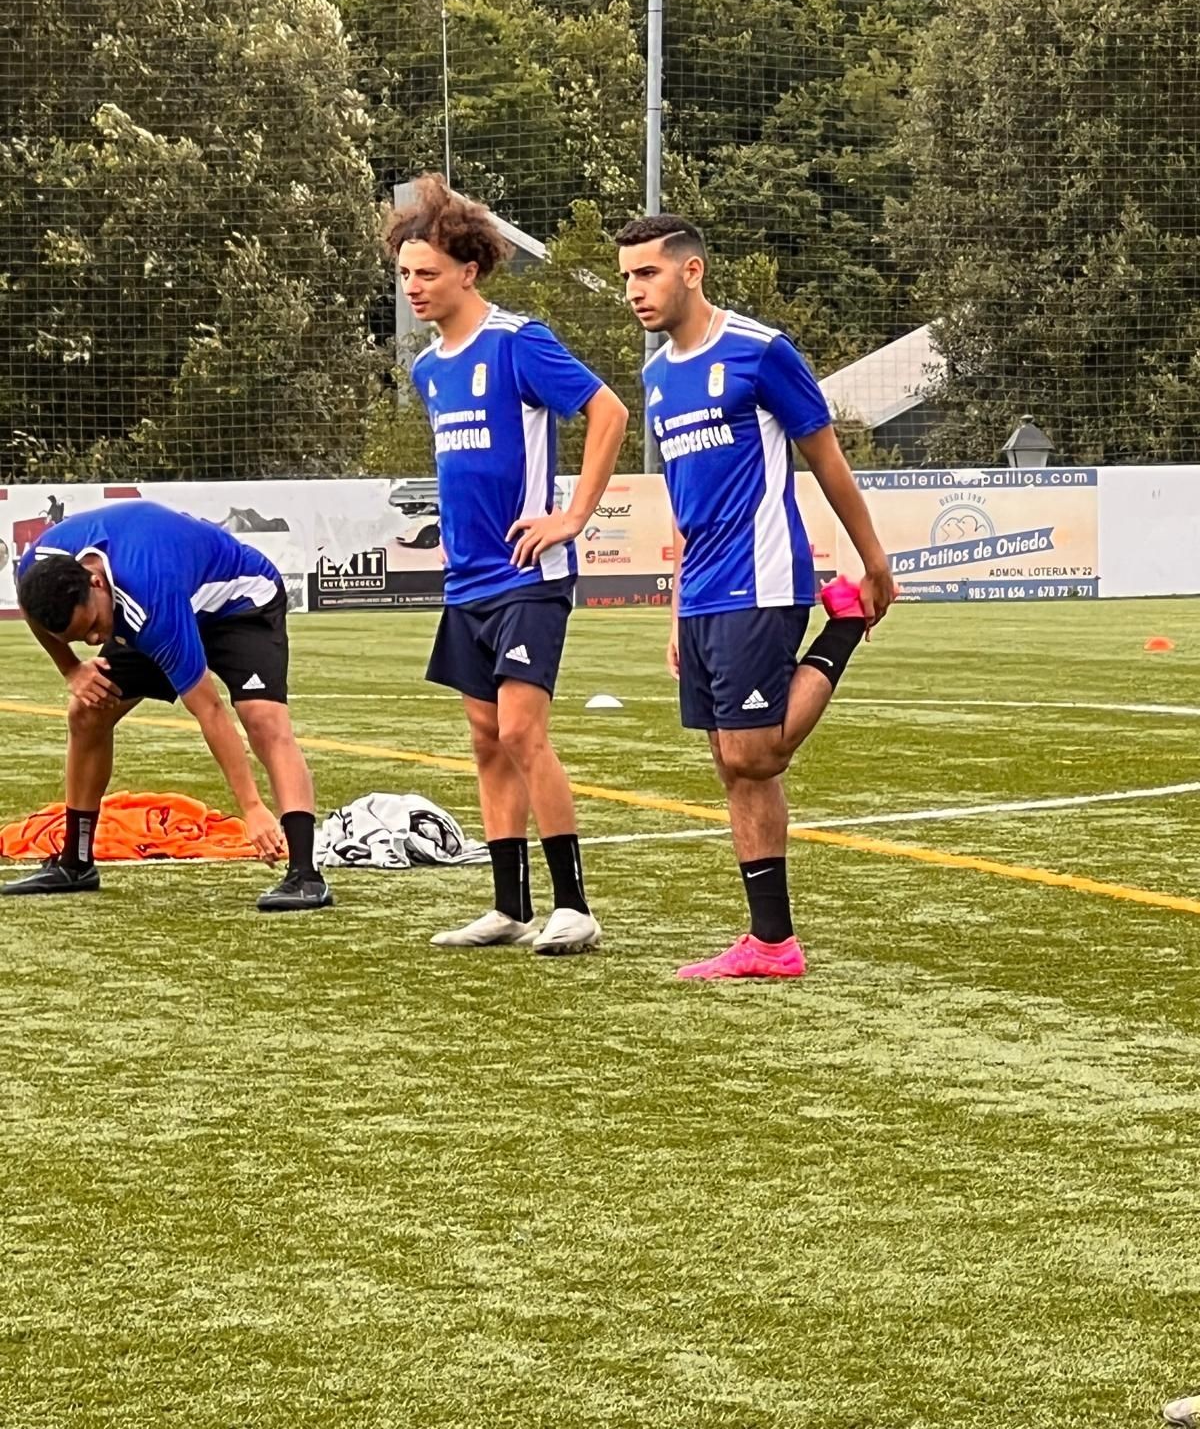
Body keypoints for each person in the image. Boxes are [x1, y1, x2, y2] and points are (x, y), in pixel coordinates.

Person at [617, 212, 896, 980]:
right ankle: (772, 943)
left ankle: (841, 628)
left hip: (763, 572)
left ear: (691, 270)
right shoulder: (655, 376)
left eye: (647, 273)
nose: (635, 291)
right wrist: (677, 606)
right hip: (704, 587)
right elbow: (682, 498)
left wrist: (873, 566)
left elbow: (828, 462)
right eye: (628, 278)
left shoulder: (760, 351)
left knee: (756, 750)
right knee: (733, 766)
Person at [384, 173, 628, 955]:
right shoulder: (428, 370)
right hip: (469, 586)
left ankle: (575, 906)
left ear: (469, 271)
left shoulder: (519, 341)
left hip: (530, 577)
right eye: (404, 274)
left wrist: (573, 517)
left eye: (426, 273)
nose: (414, 287)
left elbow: (608, 410)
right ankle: (508, 906)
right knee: (486, 740)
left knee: (524, 733)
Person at [3, 500, 331, 913]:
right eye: (78, 638)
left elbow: (209, 710)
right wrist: (72, 670)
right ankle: (76, 863)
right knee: (87, 713)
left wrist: (251, 807)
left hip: (239, 602)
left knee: (262, 718)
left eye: (91, 628)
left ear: (97, 583)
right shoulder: (40, 570)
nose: (92, 642)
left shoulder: (150, 599)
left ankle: (305, 874)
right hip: (159, 602)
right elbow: (34, 613)